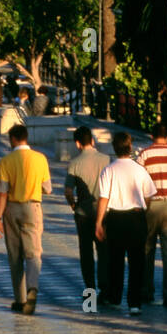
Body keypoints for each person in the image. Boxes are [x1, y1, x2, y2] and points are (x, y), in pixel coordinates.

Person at [95, 132, 156, 315]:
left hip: (115, 218)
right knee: (137, 261)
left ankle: (115, 297)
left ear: (114, 148)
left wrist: (99, 222)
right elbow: (149, 195)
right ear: (130, 148)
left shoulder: (109, 170)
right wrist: (143, 208)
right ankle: (134, 302)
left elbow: (103, 198)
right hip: (136, 217)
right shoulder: (140, 170)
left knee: (115, 259)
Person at [0, 124, 51, 315]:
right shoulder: (40, 159)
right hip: (33, 207)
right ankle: (32, 287)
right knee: (34, 252)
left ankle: (20, 300)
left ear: (12, 139)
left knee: (15, 256)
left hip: (11, 208)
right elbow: (48, 188)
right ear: (26, 138)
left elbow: (2, 193)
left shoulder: (6, 161)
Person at [138, 122, 167, 309]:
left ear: (152, 136)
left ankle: (147, 291)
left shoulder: (144, 155)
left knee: (147, 248)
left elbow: (139, 181)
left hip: (152, 205)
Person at [64, 126, 110, 299]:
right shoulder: (106, 159)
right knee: (104, 251)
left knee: (86, 253)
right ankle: (105, 289)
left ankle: (90, 292)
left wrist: (74, 206)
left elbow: (68, 191)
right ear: (92, 140)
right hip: (103, 212)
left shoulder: (74, 163)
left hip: (83, 213)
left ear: (77, 143)